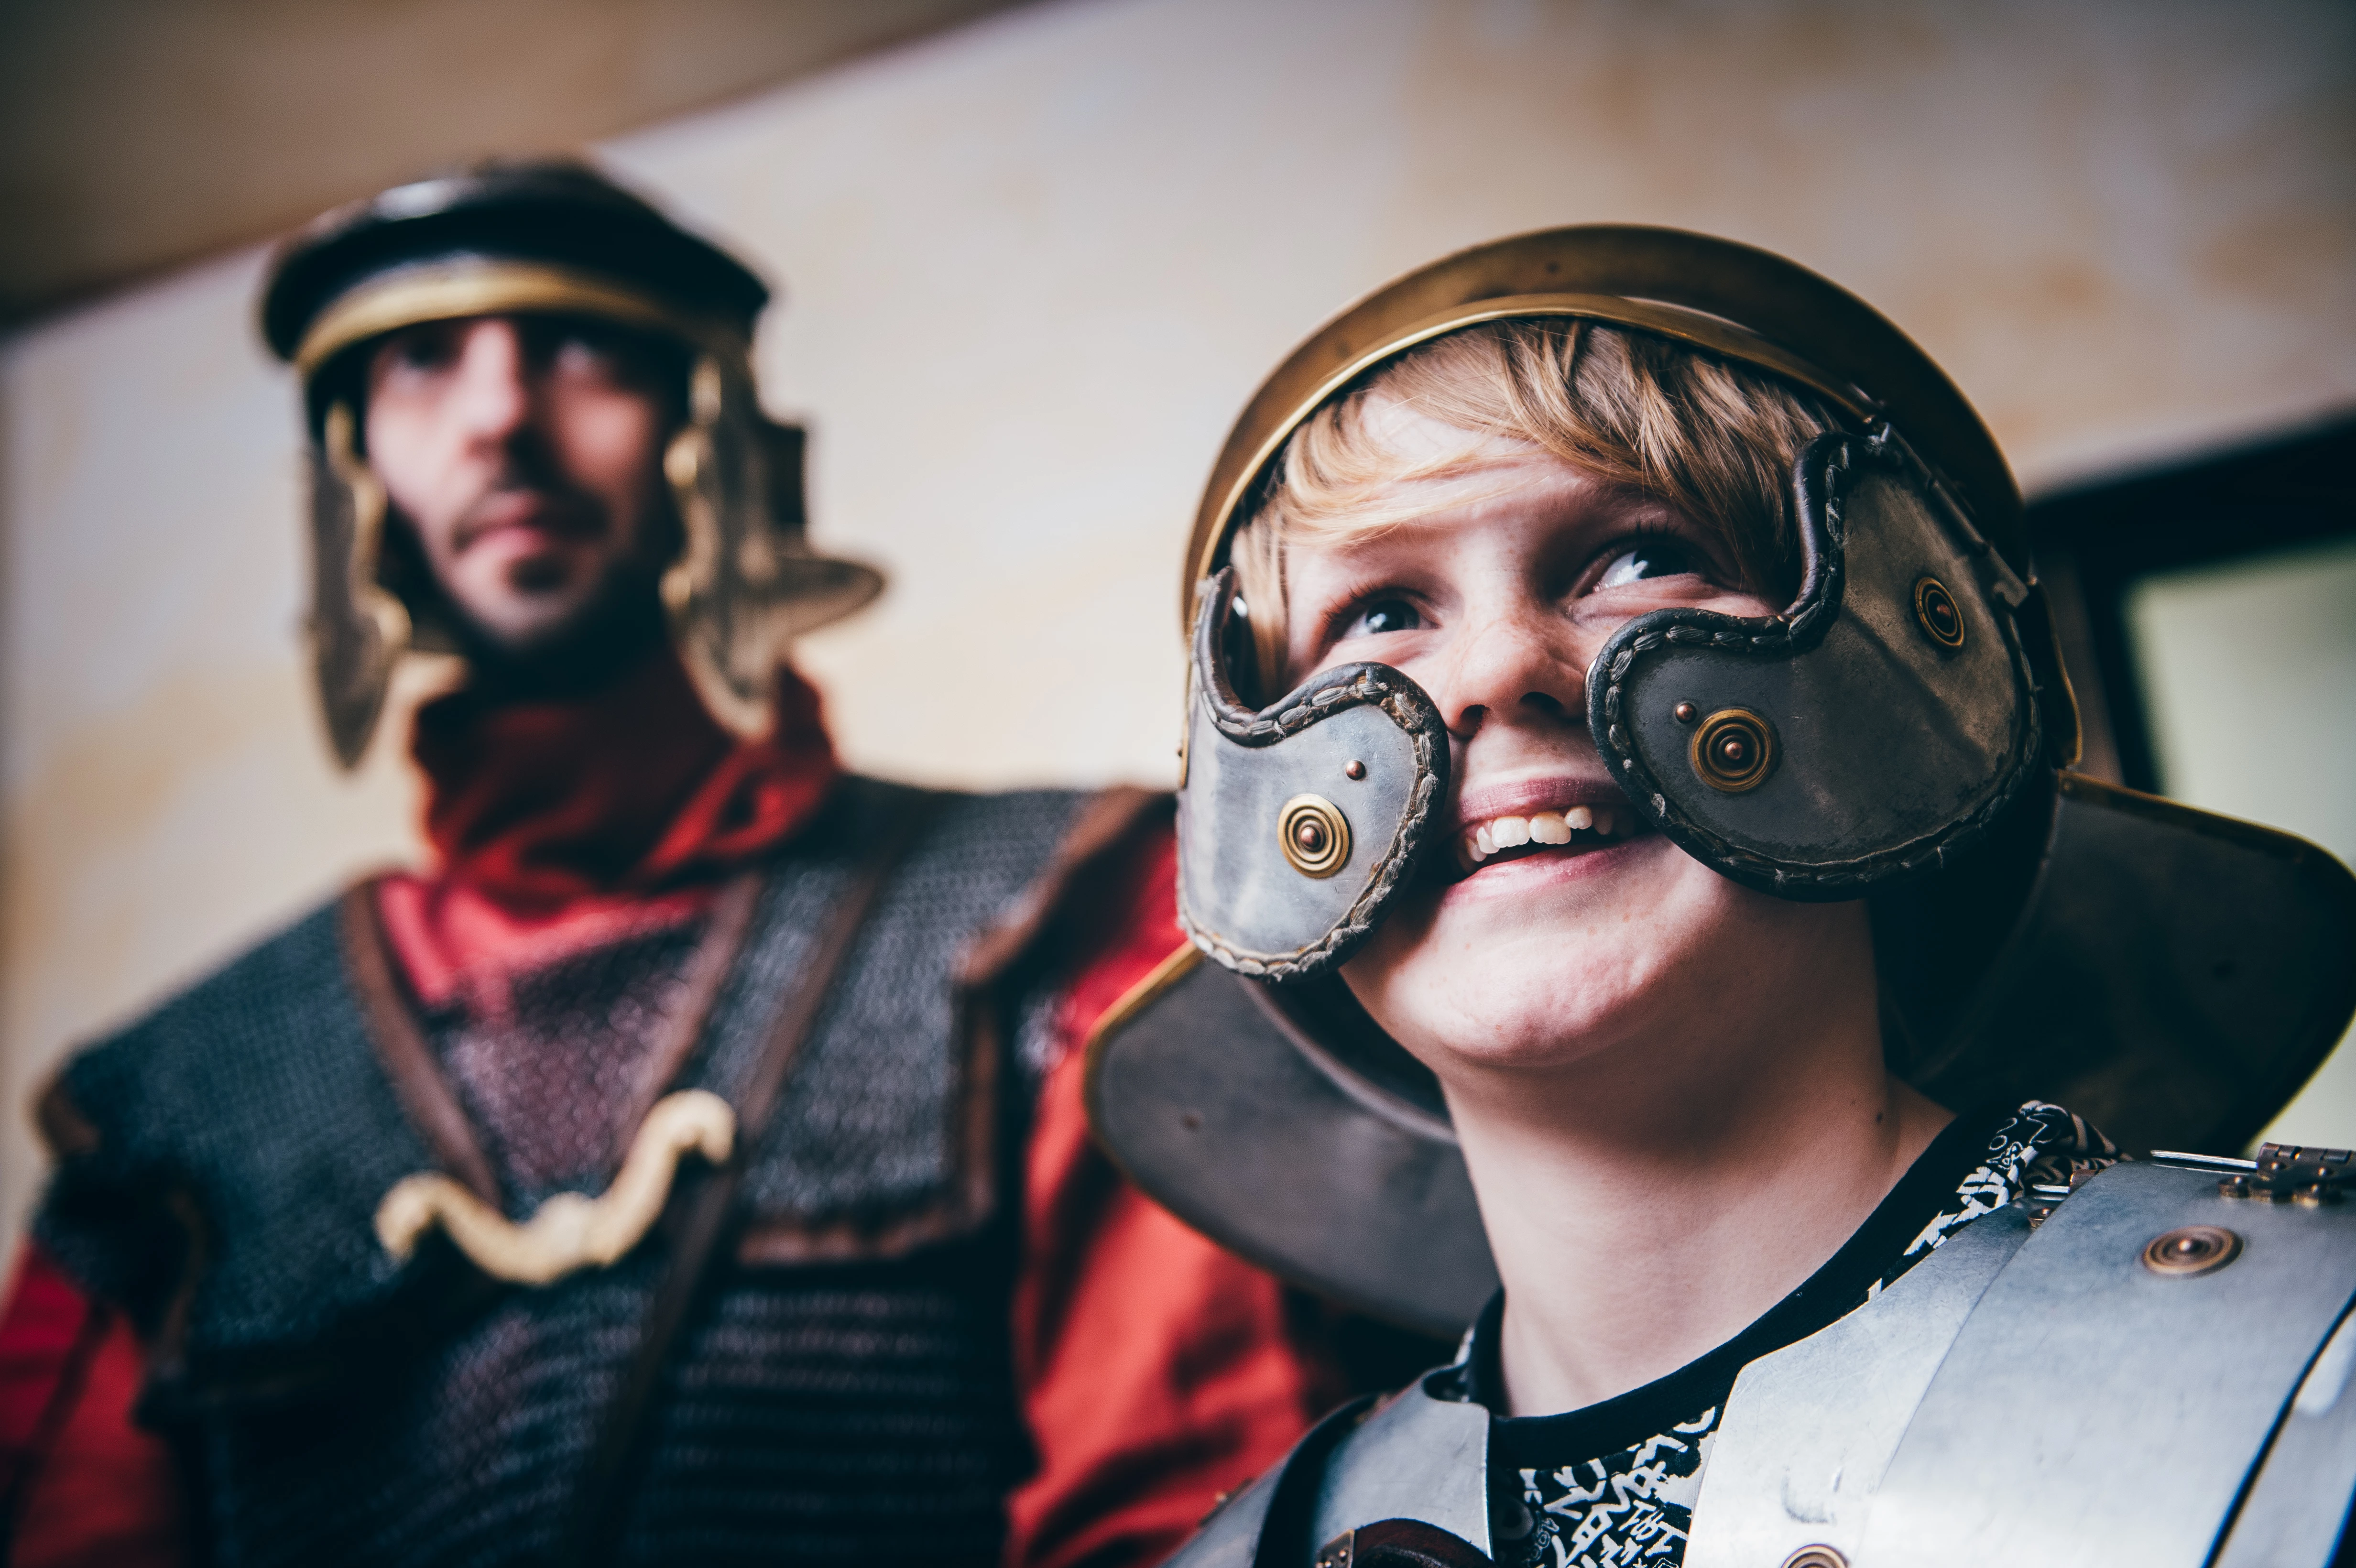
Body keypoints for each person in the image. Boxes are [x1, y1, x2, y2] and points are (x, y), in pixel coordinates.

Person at [0, 163, 1427, 1568]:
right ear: (354, 466)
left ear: (714, 431)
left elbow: (1182, 1504)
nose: (502, 417)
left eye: (580, 350)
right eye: (423, 361)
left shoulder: (1059, 908)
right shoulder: (180, 1114)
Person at [1085, 227, 2356, 1567]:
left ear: (1901, 689)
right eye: (1379, 612)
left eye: (1637, 558)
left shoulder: (2312, 1378)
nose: (1497, 669)